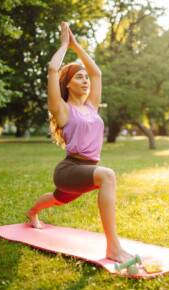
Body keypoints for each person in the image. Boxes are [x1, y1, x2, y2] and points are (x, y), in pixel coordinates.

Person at [26, 22, 133, 263]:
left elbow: (98, 73)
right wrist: (64, 45)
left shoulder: (91, 107)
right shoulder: (62, 110)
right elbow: (53, 70)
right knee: (108, 176)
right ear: (68, 84)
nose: (86, 81)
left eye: (86, 78)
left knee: (57, 198)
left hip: (84, 170)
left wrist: (77, 46)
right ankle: (113, 248)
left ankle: (32, 213)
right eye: (79, 77)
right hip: (70, 169)